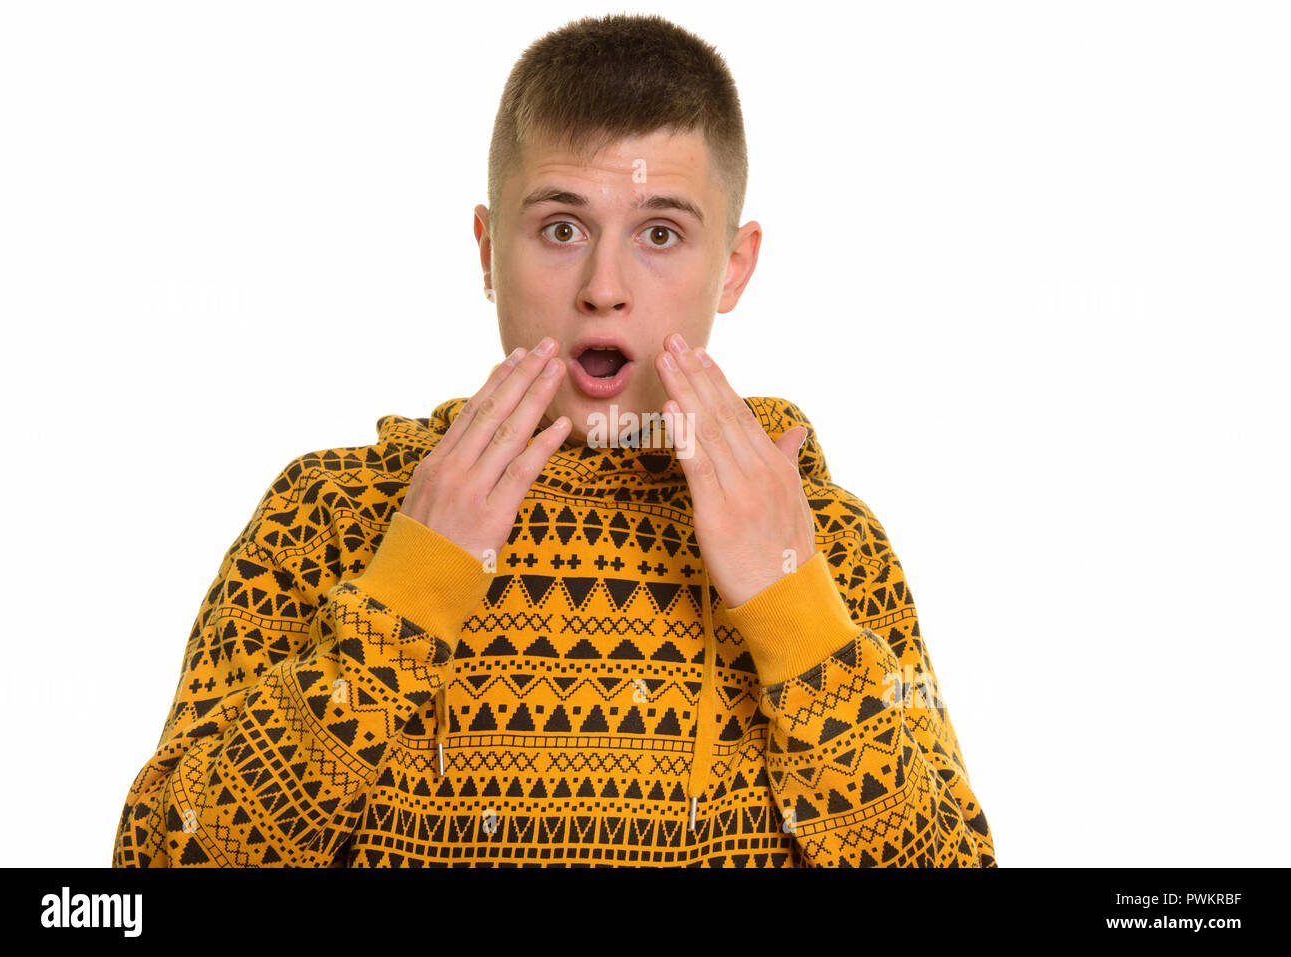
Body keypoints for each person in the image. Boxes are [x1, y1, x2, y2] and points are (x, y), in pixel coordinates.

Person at [111, 12, 996, 867]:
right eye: (561, 229)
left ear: (733, 266)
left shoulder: (827, 542)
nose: (603, 287)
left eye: (660, 233)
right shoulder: (327, 516)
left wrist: (791, 614)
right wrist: (402, 597)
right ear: (489, 251)